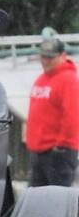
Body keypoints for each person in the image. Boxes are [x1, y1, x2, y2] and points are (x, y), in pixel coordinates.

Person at [27, 28, 78, 188]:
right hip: (39, 151)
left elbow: (72, 116)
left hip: (57, 153)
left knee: (57, 201)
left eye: (50, 57)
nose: (45, 61)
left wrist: (61, 146)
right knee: (37, 200)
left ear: (63, 56)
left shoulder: (68, 80)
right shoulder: (42, 78)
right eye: (43, 56)